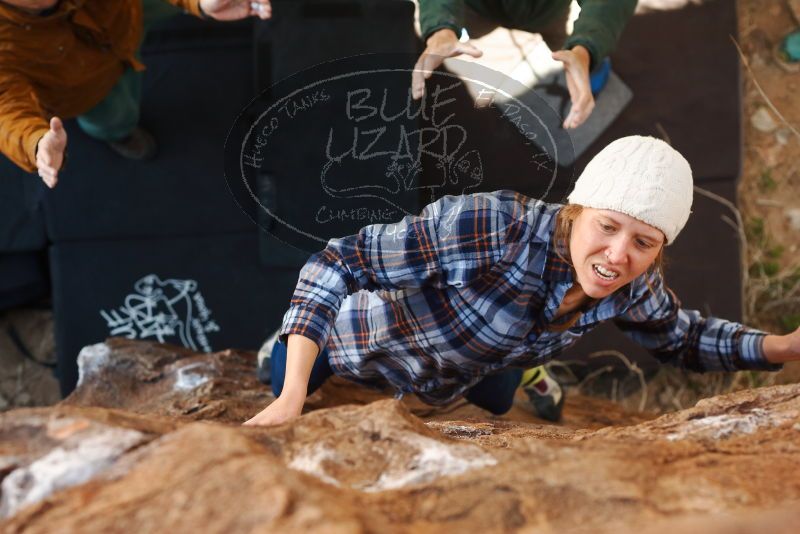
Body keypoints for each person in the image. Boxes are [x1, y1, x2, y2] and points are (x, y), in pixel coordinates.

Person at [244, 136, 799, 427]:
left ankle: (525, 362)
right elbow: (337, 262)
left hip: (469, 365)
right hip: (359, 342)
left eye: (644, 242)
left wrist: (785, 347)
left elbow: (682, 337)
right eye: (608, 227)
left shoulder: (635, 284)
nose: (618, 255)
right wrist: (294, 394)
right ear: (577, 209)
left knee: (498, 401)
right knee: (281, 385)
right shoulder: (492, 226)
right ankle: (287, 348)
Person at [0, 0, 272, 189]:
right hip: (85, 87)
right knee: (116, 118)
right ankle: (119, 134)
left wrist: (198, 2)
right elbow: (5, 106)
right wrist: (34, 143)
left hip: (124, 12)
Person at [412, 0, 637, 129]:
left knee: (571, 52)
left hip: (548, 11)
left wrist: (588, 44)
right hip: (479, 10)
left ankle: (588, 66)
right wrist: (441, 26)